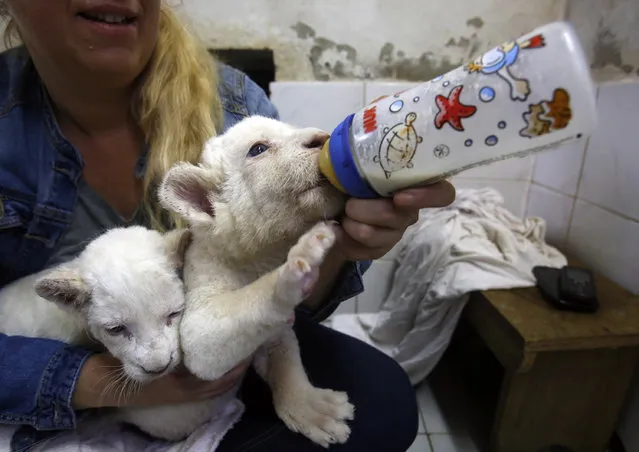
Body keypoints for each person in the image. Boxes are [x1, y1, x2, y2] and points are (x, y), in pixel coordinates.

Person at [0, 1, 456, 451]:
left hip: (224, 345)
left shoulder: (235, 104)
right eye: (260, 152)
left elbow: (285, 310)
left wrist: (339, 241)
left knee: (383, 402)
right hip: (58, 376)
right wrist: (89, 382)